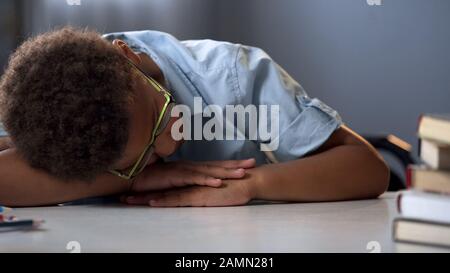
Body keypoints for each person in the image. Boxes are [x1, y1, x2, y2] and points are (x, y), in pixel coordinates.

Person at [0, 27, 389, 207]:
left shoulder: (234, 76)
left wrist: (251, 184)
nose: (171, 145)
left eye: (160, 116)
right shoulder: (52, 115)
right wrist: (135, 181)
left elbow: (368, 168)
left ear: (128, 56)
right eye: (142, 156)